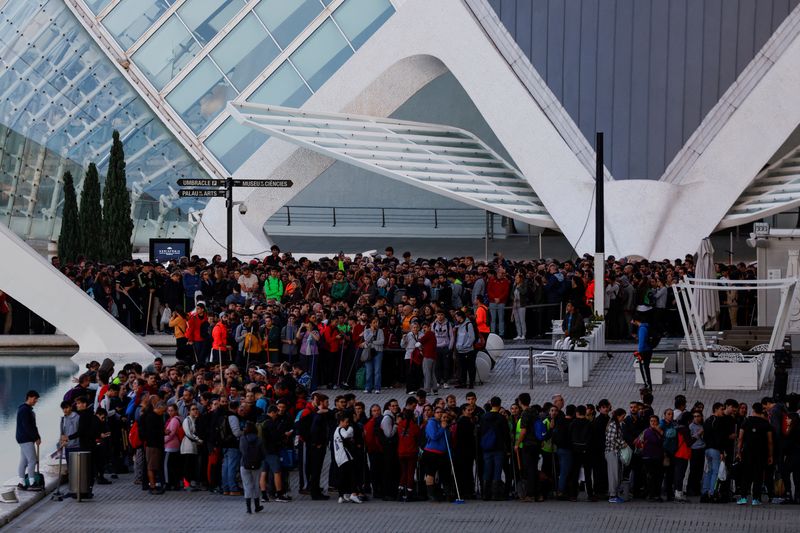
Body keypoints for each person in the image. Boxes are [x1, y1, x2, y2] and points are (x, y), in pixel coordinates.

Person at [736, 403, 773, 506]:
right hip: (761, 453)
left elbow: (740, 439)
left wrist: (739, 452)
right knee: (758, 475)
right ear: (762, 411)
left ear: (752, 410)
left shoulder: (746, 421)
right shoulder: (766, 424)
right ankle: (755, 499)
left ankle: (743, 497)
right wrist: (770, 455)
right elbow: (770, 441)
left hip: (747, 452)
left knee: (746, 474)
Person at [333, 411, 362, 503]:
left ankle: (342, 495)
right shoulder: (341, 429)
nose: (347, 424)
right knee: (353, 475)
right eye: (346, 422)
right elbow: (346, 435)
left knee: (343, 476)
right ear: (341, 422)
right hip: (345, 457)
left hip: (340, 457)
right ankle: (353, 494)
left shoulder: (336, 430)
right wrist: (351, 428)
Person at [16, 390, 41, 491]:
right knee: (32, 460)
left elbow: (33, 426)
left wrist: (38, 436)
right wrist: (35, 438)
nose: (36, 401)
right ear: (29, 397)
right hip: (26, 438)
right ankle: (32, 483)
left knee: (24, 460)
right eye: (35, 399)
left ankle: (21, 483)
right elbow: (27, 426)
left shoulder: (26, 409)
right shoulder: (25, 410)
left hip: (23, 438)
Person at [239, 421, 265, 514]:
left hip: (244, 464)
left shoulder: (242, 439)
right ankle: (257, 506)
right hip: (257, 465)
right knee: (256, 485)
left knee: (247, 485)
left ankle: (248, 508)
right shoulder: (259, 439)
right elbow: (263, 453)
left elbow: (241, 451)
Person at [605, 408, 628, 503]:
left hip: (615, 452)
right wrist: (623, 444)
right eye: (623, 416)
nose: (623, 418)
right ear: (618, 416)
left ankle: (615, 493)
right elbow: (611, 439)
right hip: (611, 452)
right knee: (613, 474)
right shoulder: (613, 425)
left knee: (617, 474)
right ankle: (612, 495)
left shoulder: (617, 425)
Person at [632, 309, 653, 390]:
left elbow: (642, 342)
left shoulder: (642, 328)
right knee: (645, 367)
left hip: (644, 351)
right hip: (648, 349)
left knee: (644, 368)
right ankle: (648, 385)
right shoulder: (645, 326)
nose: (631, 322)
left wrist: (639, 352)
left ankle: (647, 385)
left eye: (632, 320)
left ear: (635, 320)